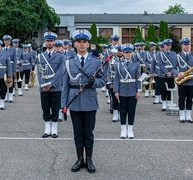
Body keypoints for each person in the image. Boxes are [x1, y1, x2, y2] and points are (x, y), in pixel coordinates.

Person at [61, 29, 105, 173]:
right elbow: (65, 85)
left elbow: (102, 81)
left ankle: (89, 160)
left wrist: (93, 82)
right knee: (77, 133)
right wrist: (64, 105)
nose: (81, 44)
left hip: (90, 101)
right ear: (74, 44)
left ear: (88, 44)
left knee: (88, 133)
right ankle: (79, 159)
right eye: (78, 42)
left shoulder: (96, 61)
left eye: (84, 42)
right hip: (74, 101)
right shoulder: (69, 62)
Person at [37, 32, 64, 138]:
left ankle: (54, 129)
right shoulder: (40, 56)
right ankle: (47, 129)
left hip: (55, 87)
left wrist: (51, 84)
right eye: (47, 41)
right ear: (45, 42)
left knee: (55, 108)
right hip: (43, 87)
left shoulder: (60, 56)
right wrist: (43, 84)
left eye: (51, 41)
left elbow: (60, 72)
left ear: (54, 42)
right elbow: (39, 72)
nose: (49, 43)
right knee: (45, 108)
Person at [114, 43, 141, 139]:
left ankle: (130, 130)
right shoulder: (118, 64)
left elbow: (138, 78)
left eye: (129, 52)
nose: (128, 54)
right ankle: (123, 129)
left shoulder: (136, 64)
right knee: (122, 110)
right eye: (126, 52)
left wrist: (139, 90)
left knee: (131, 110)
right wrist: (116, 91)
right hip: (122, 90)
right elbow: (116, 78)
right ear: (123, 53)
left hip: (132, 89)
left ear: (132, 53)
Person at [175, 38, 193, 123]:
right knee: (181, 99)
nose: (187, 46)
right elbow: (173, 68)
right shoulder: (178, 56)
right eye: (185, 45)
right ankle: (182, 115)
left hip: (191, 81)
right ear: (181, 45)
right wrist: (177, 73)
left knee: (190, 99)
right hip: (182, 81)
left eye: (188, 44)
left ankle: (188, 116)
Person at [156, 39, 178, 111]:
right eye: (166, 45)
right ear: (164, 46)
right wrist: (166, 72)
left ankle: (169, 102)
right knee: (163, 89)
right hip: (163, 74)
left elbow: (175, 64)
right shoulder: (160, 53)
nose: (168, 46)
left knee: (170, 88)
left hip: (171, 74)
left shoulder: (174, 54)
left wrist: (171, 72)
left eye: (169, 45)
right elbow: (160, 63)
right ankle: (164, 103)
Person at [2, 35, 17, 103]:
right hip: (3, 67)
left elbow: (15, 60)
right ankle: (4, 96)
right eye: (5, 41)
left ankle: (10, 96)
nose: (7, 42)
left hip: (10, 67)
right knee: (4, 82)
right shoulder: (1, 49)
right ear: (4, 41)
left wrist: (14, 70)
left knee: (10, 82)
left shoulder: (13, 49)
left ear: (10, 41)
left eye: (8, 41)